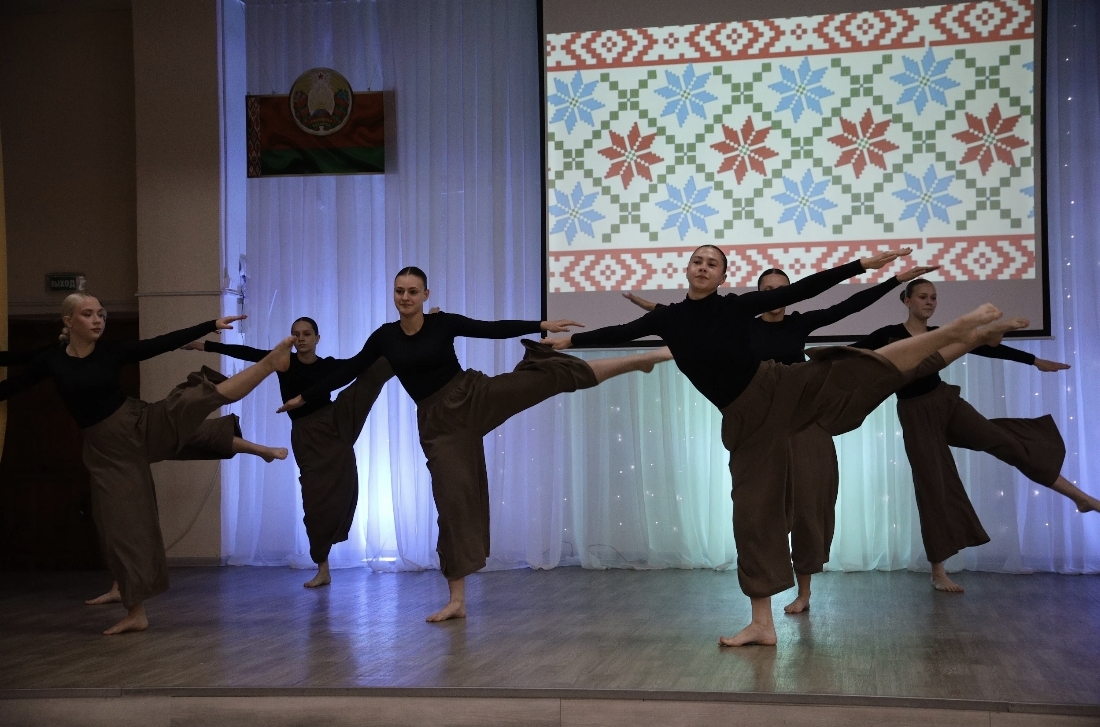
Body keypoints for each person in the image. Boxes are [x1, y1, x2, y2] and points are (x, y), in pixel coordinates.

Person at [548, 245, 1027, 646]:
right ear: (686, 269)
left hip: (777, 387)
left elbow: (808, 290)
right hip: (744, 420)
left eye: (712, 263)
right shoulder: (669, 319)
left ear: (723, 277)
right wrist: (566, 342)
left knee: (854, 368)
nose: (703, 267)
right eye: (697, 261)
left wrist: (864, 266)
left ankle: (954, 333)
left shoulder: (735, 307)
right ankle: (762, 624)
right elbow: (619, 333)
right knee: (752, 514)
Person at [278, 266, 673, 622]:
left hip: (472, 395)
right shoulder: (385, 337)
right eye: (399, 291)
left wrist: (540, 323)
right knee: (452, 505)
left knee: (547, 378)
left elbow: (490, 328)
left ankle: (640, 360)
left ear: (425, 295)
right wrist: (304, 397)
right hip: (439, 426)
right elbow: (350, 369)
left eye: (413, 291)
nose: (405, 297)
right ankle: (457, 600)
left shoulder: (442, 323)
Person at [622, 262, 938, 614]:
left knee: (809, 508)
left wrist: (893, 281)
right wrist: (660, 313)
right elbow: (699, 319)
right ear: (759, 295)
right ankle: (763, 607)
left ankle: (804, 592)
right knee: (762, 512)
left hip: (805, 422)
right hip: (762, 426)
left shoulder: (799, 323)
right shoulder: (741, 323)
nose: (775, 296)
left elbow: (848, 306)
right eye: (767, 290)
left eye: (781, 289)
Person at [0, 292, 294, 634]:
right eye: (88, 314)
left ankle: (268, 364)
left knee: (195, 400)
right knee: (116, 524)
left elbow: (162, 343)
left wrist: (209, 324)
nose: (97, 320)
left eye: (101, 314)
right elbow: (12, 381)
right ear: (68, 321)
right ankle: (127, 596)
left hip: (137, 424)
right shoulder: (52, 359)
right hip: (105, 450)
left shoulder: (112, 351)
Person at [852, 278, 1099, 592]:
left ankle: (1081, 498)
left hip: (946, 402)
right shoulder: (888, 335)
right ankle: (938, 572)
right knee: (933, 485)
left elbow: (983, 348)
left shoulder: (940, 334)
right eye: (923, 297)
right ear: (907, 300)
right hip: (916, 414)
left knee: (1008, 443)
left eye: (933, 298)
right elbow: (851, 355)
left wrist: (1034, 360)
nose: (929, 302)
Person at [184, 316, 394, 588]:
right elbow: (248, 353)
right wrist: (204, 345)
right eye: (296, 334)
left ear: (317, 338)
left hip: (337, 420)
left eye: (307, 333)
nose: (301, 338)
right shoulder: (284, 362)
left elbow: (361, 363)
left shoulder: (328, 365)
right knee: (314, 504)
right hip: (308, 436)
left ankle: (417, 337)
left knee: (373, 374)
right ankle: (323, 569)